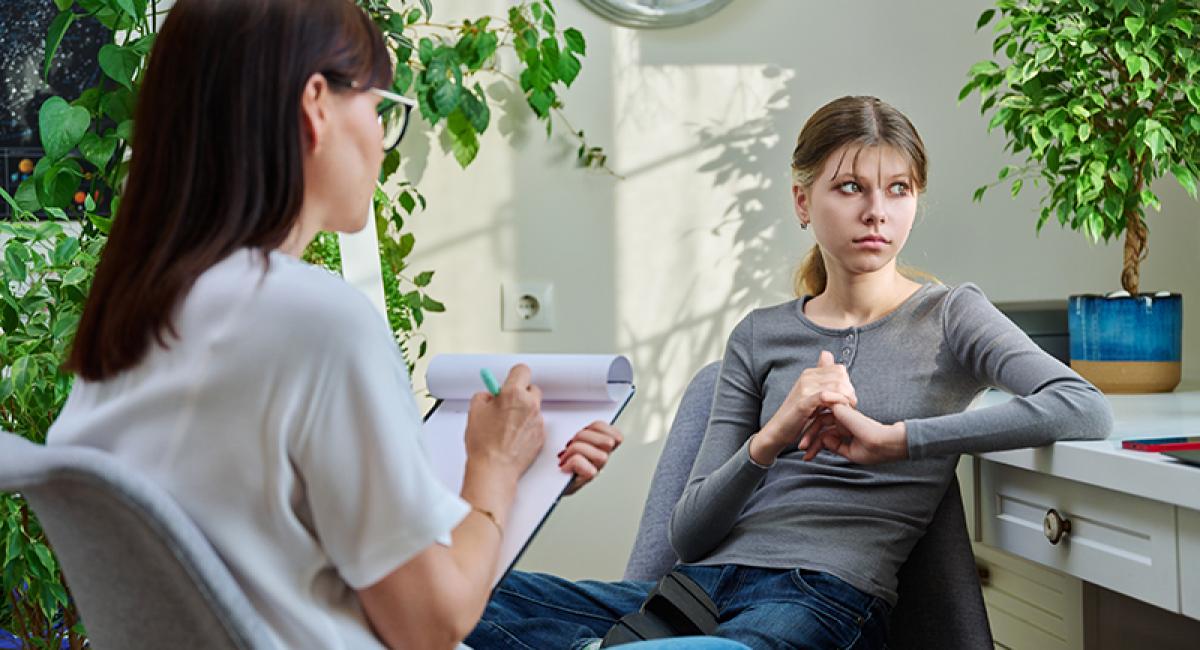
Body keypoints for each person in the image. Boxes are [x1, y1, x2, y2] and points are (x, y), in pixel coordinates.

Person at [44, 1, 622, 648]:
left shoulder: (128, 327)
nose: (380, 138)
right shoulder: (310, 320)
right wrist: (497, 465)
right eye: (380, 107)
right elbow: (432, 622)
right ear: (316, 104)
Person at [464, 95, 1114, 650]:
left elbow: (1082, 407)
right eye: (850, 187)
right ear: (804, 201)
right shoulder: (761, 333)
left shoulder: (949, 316)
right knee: (456, 594)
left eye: (898, 189)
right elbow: (689, 533)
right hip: (692, 592)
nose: (876, 213)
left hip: (822, 596)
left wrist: (898, 441)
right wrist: (770, 438)